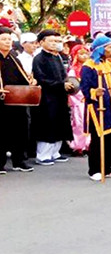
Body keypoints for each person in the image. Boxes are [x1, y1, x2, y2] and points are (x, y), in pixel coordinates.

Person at [80, 34, 111, 180]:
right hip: (97, 107)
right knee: (98, 139)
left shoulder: (110, 64)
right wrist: (94, 92)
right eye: (110, 47)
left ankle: (107, 168)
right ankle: (95, 170)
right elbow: (84, 87)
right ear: (101, 49)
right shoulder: (88, 66)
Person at [31, 30, 74, 166]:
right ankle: (43, 155)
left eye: (56, 41)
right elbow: (41, 78)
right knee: (47, 125)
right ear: (41, 42)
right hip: (47, 98)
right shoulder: (39, 58)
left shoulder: (57, 57)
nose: (54, 44)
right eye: (51, 41)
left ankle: (55, 152)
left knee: (59, 123)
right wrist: (61, 85)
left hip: (59, 96)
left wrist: (67, 83)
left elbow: (63, 75)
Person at [0, 26, 35, 173]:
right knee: (1, 132)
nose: (7, 42)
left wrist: (31, 81)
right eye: (3, 39)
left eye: (9, 39)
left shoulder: (14, 57)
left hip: (16, 100)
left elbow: (23, 77)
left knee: (20, 130)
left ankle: (19, 161)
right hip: (1, 101)